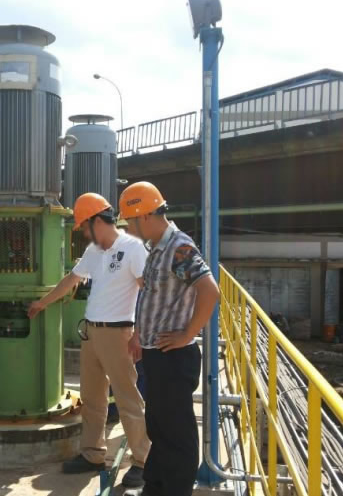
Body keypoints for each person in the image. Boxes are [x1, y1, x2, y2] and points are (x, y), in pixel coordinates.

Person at [28, 193, 150, 488]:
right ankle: (93, 454)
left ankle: (144, 461)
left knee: (128, 398)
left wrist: (139, 334)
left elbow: (148, 291)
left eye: (84, 226)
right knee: (93, 398)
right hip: (92, 332)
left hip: (119, 333)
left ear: (98, 221)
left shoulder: (133, 248)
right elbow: (71, 280)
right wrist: (42, 303)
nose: (83, 232)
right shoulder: (95, 251)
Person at [119, 182, 220, 496]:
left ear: (145, 216)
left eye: (130, 222)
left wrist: (188, 334)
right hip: (156, 353)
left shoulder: (178, 247)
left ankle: (175, 490)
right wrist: (139, 335)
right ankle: (156, 486)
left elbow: (210, 291)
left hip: (173, 357)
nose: (128, 228)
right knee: (159, 427)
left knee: (176, 433)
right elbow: (151, 296)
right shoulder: (156, 249)